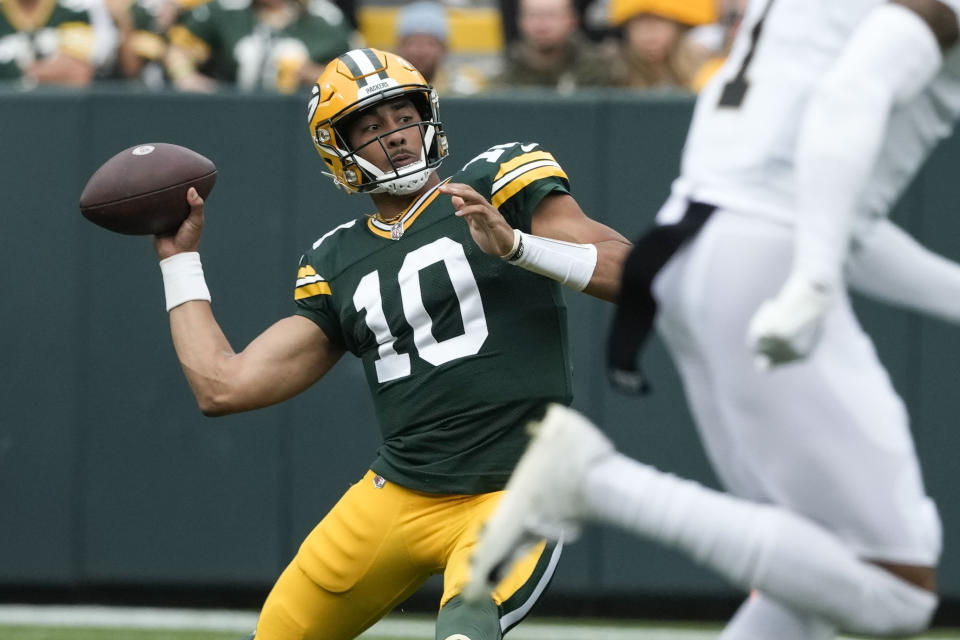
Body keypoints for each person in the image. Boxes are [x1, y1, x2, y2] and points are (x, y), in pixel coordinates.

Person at [466, 1, 960, 639]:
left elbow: (843, 223)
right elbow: (850, 95)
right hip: (762, 259)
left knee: (811, 563)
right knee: (896, 589)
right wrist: (811, 275)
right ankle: (593, 482)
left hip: (696, 247)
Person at [152, 47, 630, 640]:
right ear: (339, 150)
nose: (396, 136)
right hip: (401, 493)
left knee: (467, 628)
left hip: (515, 488)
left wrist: (517, 249)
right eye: (372, 127)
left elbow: (632, 276)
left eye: (403, 117)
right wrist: (180, 261)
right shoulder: (335, 259)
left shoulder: (496, 181)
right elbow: (223, 386)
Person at [164, 0, 351, 92]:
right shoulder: (225, 8)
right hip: (228, 110)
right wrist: (185, 75)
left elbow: (349, 77)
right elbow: (179, 49)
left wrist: (308, 72)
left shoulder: (325, 17)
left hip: (299, 119)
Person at [496, 0, 622, 91]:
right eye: (533, 15)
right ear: (520, 21)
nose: (541, 25)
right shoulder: (506, 75)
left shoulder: (597, 73)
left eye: (551, 15)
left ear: (572, 20)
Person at [607, 0, 717, 92]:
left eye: (660, 19)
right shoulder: (614, 75)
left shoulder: (709, 75)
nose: (649, 31)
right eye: (639, 20)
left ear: (680, 26)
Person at [394, 0, 487, 96]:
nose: (420, 52)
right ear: (400, 47)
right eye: (412, 43)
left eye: (429, 44)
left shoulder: (462, 90)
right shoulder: (390, 88)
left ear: (444, 48)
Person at [0, 0, 97, 86]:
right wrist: (52, 73)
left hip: (60, 102)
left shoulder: (74, 11)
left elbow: (79, 73)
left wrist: (26, 75)